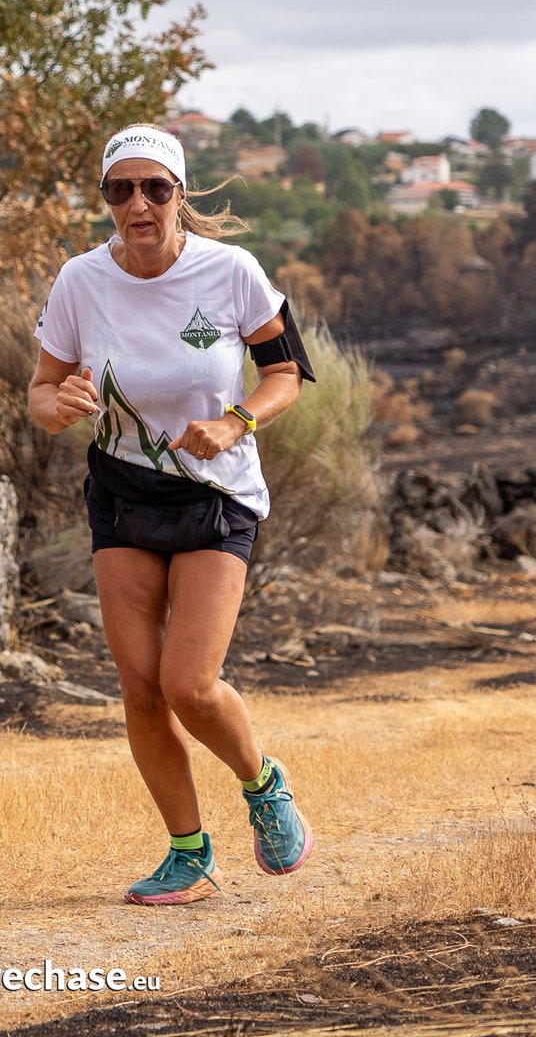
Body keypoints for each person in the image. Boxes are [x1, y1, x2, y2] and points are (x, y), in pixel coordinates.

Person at [28, 124, 317, 905]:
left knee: (189, 684)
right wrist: (59, 406)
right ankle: (188, 854)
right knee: (141, 689)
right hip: (123, 492)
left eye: (156, 187)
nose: (139, 203)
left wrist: (236, 422)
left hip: (216, 494)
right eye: (120, 189)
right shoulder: (80, 281)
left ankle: (263, 785)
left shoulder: (233, 272)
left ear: (180, 194)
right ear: (106, 201)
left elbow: (289, 372)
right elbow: (40, 392)